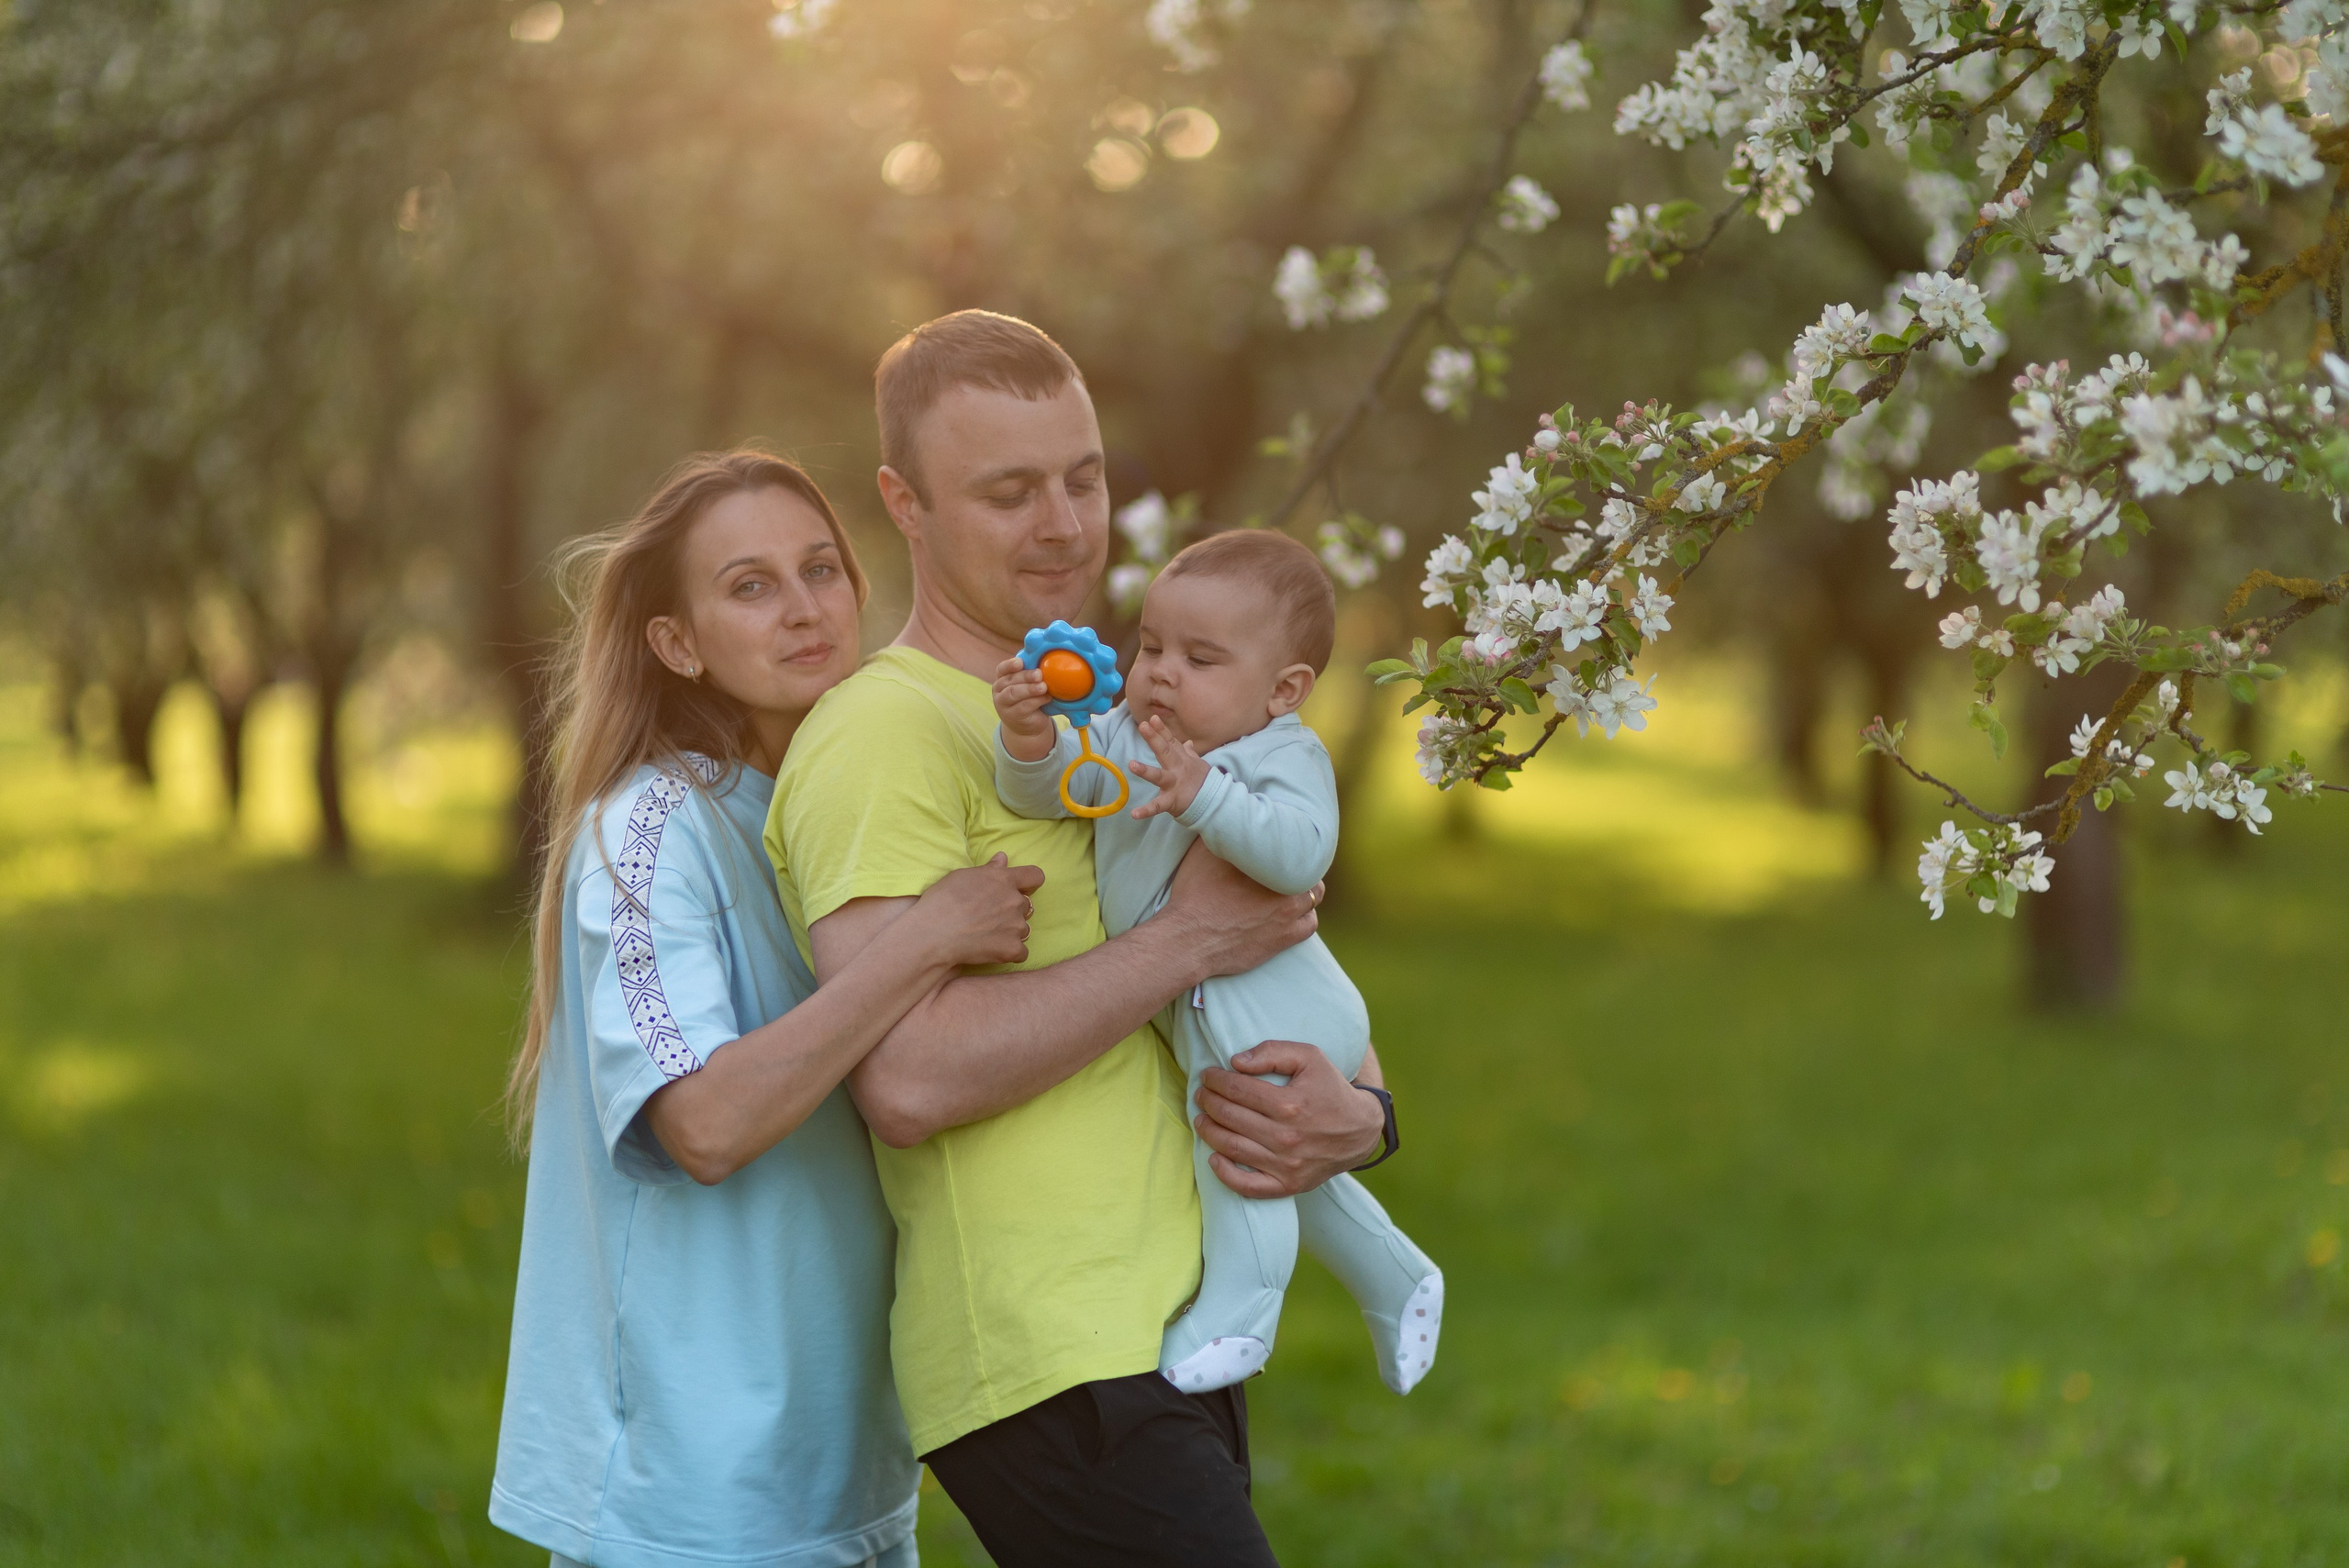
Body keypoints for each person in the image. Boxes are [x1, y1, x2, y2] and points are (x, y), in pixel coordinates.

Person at [488, 450, 1306, 1568]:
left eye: (819, 568)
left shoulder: (858, 788)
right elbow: (705, 1123)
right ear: (678, 644)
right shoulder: (646, 831)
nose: (804, 608)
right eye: (750, 586)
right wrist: (923, 940)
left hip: (856, 1475)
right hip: (689, 1493)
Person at [763, 311, 1395, 1567]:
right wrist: (1187, 944)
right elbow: (907, 1077)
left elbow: (1266, 954)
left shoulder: (1126, 712)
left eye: (1085, 478)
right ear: (907, 503)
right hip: (1048, 1359)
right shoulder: (882, 734)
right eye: (1008, 492)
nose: (1064, 524)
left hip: (1169, 1327)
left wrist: (1367, 1118)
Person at [991, 528, 1443, 1399]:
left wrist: (1204, 794)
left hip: (1283, 1007)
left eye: (1200, 657)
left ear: (1284, 690)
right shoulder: (1133, 730)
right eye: (1152, 644)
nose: (1161, 671)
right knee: (1295, 1172)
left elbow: (1299, 854)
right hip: (1211, 998)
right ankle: (1401, 1279)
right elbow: (1058, 795)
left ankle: (1242, 1310)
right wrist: (1029, 742)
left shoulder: (1283, 756)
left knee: (1235, 1152)